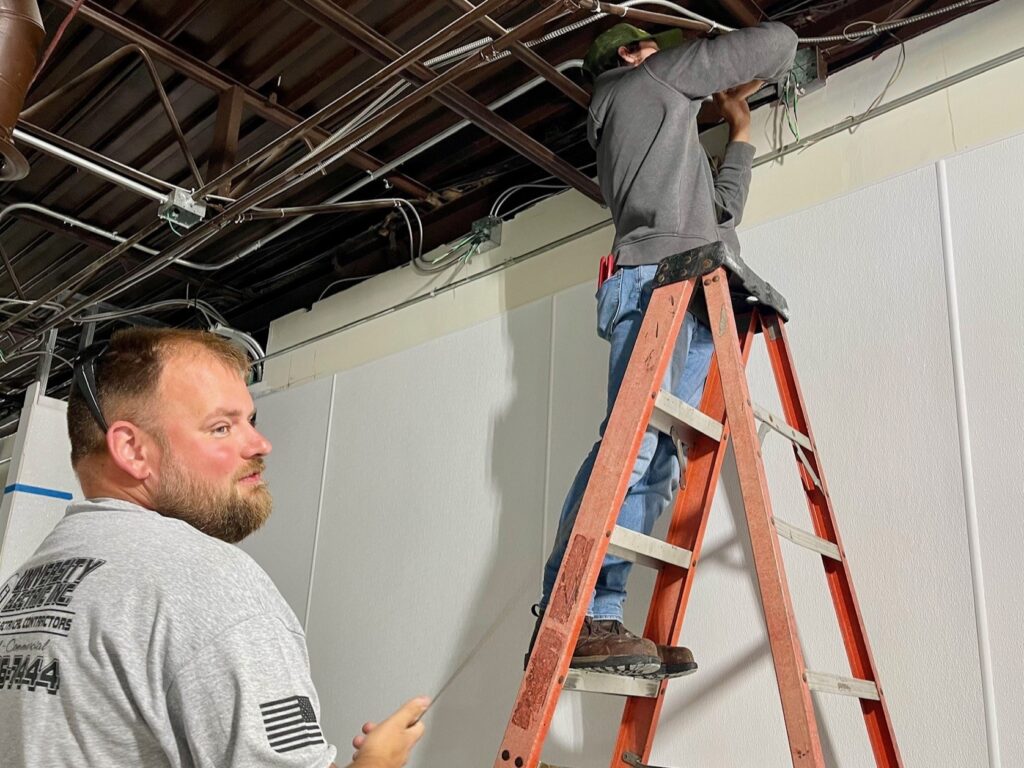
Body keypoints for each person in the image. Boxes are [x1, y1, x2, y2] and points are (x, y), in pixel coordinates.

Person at [0, 327, 428, 767]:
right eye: (221, 427)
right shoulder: (206, 579)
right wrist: (379, 762)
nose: (260, 444)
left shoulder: (20, 588)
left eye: (250, 421)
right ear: (132, 449)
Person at [532, 21, 798, 677]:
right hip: (660, 283)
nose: (672, 60)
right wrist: (714, 57)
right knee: (633, 446)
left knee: (656, 462)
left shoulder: (659, 134)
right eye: (658, 47)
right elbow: (778, 42)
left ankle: (604, 612)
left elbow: (723, 214)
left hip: (697, 287)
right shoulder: (642, 83)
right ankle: (575, 609)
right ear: (629, 55)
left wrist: (737, 126)